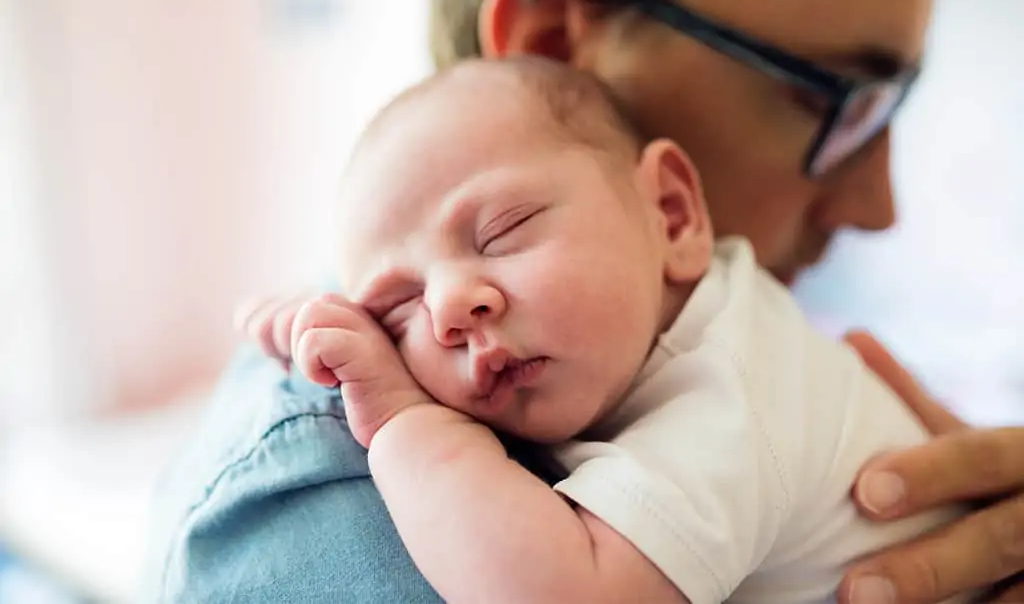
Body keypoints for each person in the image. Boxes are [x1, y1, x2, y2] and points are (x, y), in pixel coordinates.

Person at [145, 0, 1024, 603]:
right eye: (826, 96)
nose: (879, 206)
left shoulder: (735, 373)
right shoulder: (320, 493)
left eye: (884, 108)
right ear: (554, 47)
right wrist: (405, 419)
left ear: (672, 207)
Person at [284, 55, 971, 604]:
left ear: (670, 215)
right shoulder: (638, 334)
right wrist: (305, 327)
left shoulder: (733, 387)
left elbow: (572, 591)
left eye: (503, 231)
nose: (448, 309)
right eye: (396, 311)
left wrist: (409, 425)